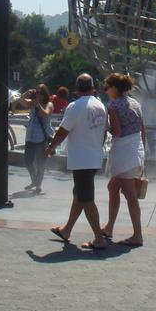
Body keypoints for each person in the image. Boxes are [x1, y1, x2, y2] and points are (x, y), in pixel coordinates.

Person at [45, 74, 108, 250]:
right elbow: (104, 133)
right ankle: (67, 230)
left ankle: (99, 238)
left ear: (77, 89)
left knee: (87, 198)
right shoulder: (101, 106)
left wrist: (51, 147)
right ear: (93, 87)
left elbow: (63, 130)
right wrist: (96, 148)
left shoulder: (75, 106)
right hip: (94, 157)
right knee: (79, 195)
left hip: (81, 159)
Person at [100, 73, 146, 247]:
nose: (106, 91)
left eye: (107, 87)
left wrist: (105, 127)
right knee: (113, 187)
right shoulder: (135, 103)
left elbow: (117, 132)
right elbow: (143, 130)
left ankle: (137, 235)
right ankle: (109, 227)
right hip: (135, 151)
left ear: (114, 88)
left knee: (130, 194)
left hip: (124, 154)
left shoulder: (114, 106)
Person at [22, 84, 53, 193]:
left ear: (45, 94)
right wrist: (28, 92)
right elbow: (20, 100)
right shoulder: (32, 103)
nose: (38, 95)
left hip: (42, 138)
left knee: (41, 162)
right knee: (28, 160)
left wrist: (38, 105)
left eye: (40, 93)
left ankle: (38, 185)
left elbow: (45, 114)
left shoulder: (49, 104)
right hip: (30, 136)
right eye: (37, 93)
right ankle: (34, 180)